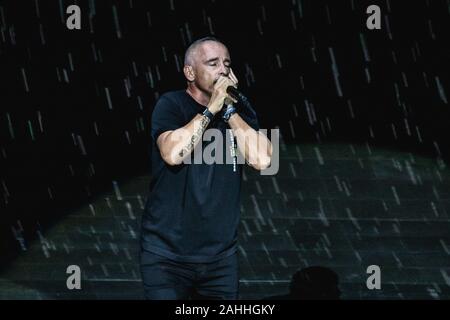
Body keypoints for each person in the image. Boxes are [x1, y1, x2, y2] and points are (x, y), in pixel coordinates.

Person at [139, 36, 273, 300]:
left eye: (226, 64)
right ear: (190, 71)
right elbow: (173, 154)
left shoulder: (241, 110)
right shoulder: (171, 104)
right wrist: (212, 108)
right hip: (167, 256)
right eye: (213, 63)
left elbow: (264, 160)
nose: (222, 70)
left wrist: (229, 111)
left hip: (221, 258)